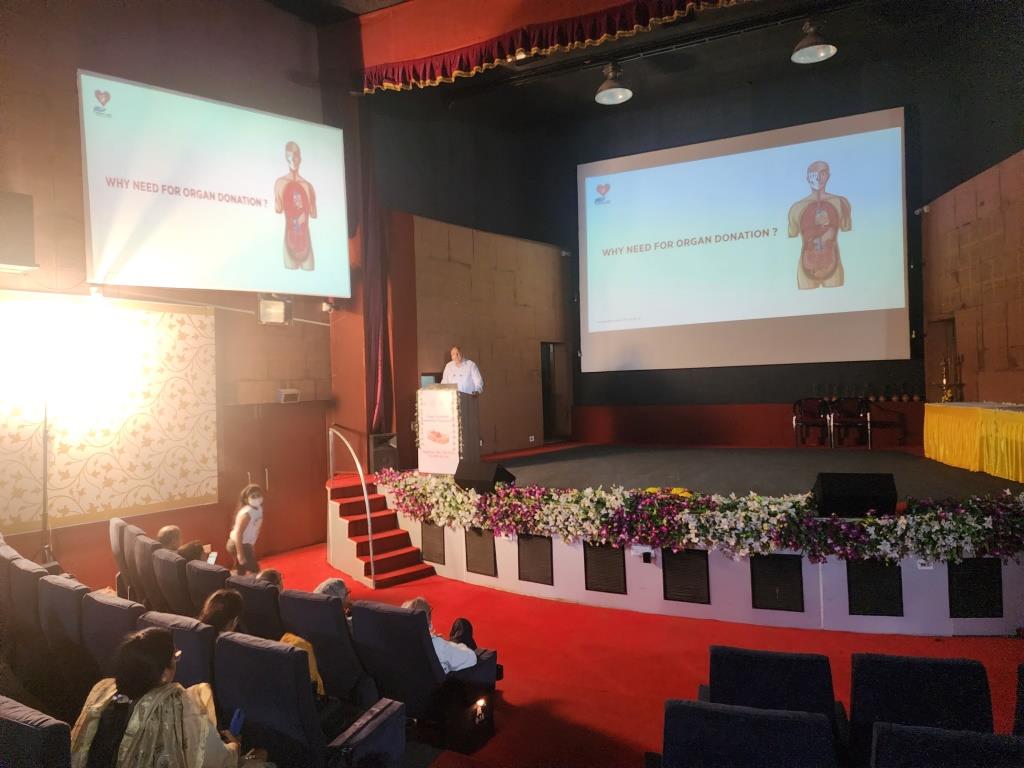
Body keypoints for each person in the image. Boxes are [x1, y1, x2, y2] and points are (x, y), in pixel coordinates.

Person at [70, 627, 268, 767]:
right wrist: (234, 747)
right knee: (261, 758)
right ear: (164, 673)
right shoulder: (175, 704)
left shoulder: (103, 690)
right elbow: (211, 761)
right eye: (175, 657)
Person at [787, 160, 852, 290]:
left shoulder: (841, 203)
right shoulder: (796, 208)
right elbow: (792, 234)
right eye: (813, 174)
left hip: (833, 262)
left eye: (822, 173)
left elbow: (846, 229)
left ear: (828, 176)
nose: (818, 178)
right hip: (806, 264)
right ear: (807, 178)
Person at [402, 597, 477, 674]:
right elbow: (471, 658)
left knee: (460, 624)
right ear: (428, 620)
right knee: (463, 625)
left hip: (416, 675)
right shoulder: (436, 644)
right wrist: (452, 645)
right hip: (447, 672)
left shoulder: (399, 643)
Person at [274, 141, 317, 271]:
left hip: (306, 243)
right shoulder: (280, 183)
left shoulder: (308, 186)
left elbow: (313, 213)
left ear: (300, 159)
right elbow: (278, 209)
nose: (292, 160)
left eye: (295, 156)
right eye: (289, 156)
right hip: (289, 242)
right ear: (286, 158)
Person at [227, 484, 263, 575]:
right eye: (253, 496)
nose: (256, 498)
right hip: (238, 544)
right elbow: (238, 534)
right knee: (255, 571)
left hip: (245, 544)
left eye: (258, 495)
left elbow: (255, 529)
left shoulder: (259, 509)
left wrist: (251, 546)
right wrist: (240, 554)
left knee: (241, 571)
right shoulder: (247, 514)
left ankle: (238, 580)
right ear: (246, 499)